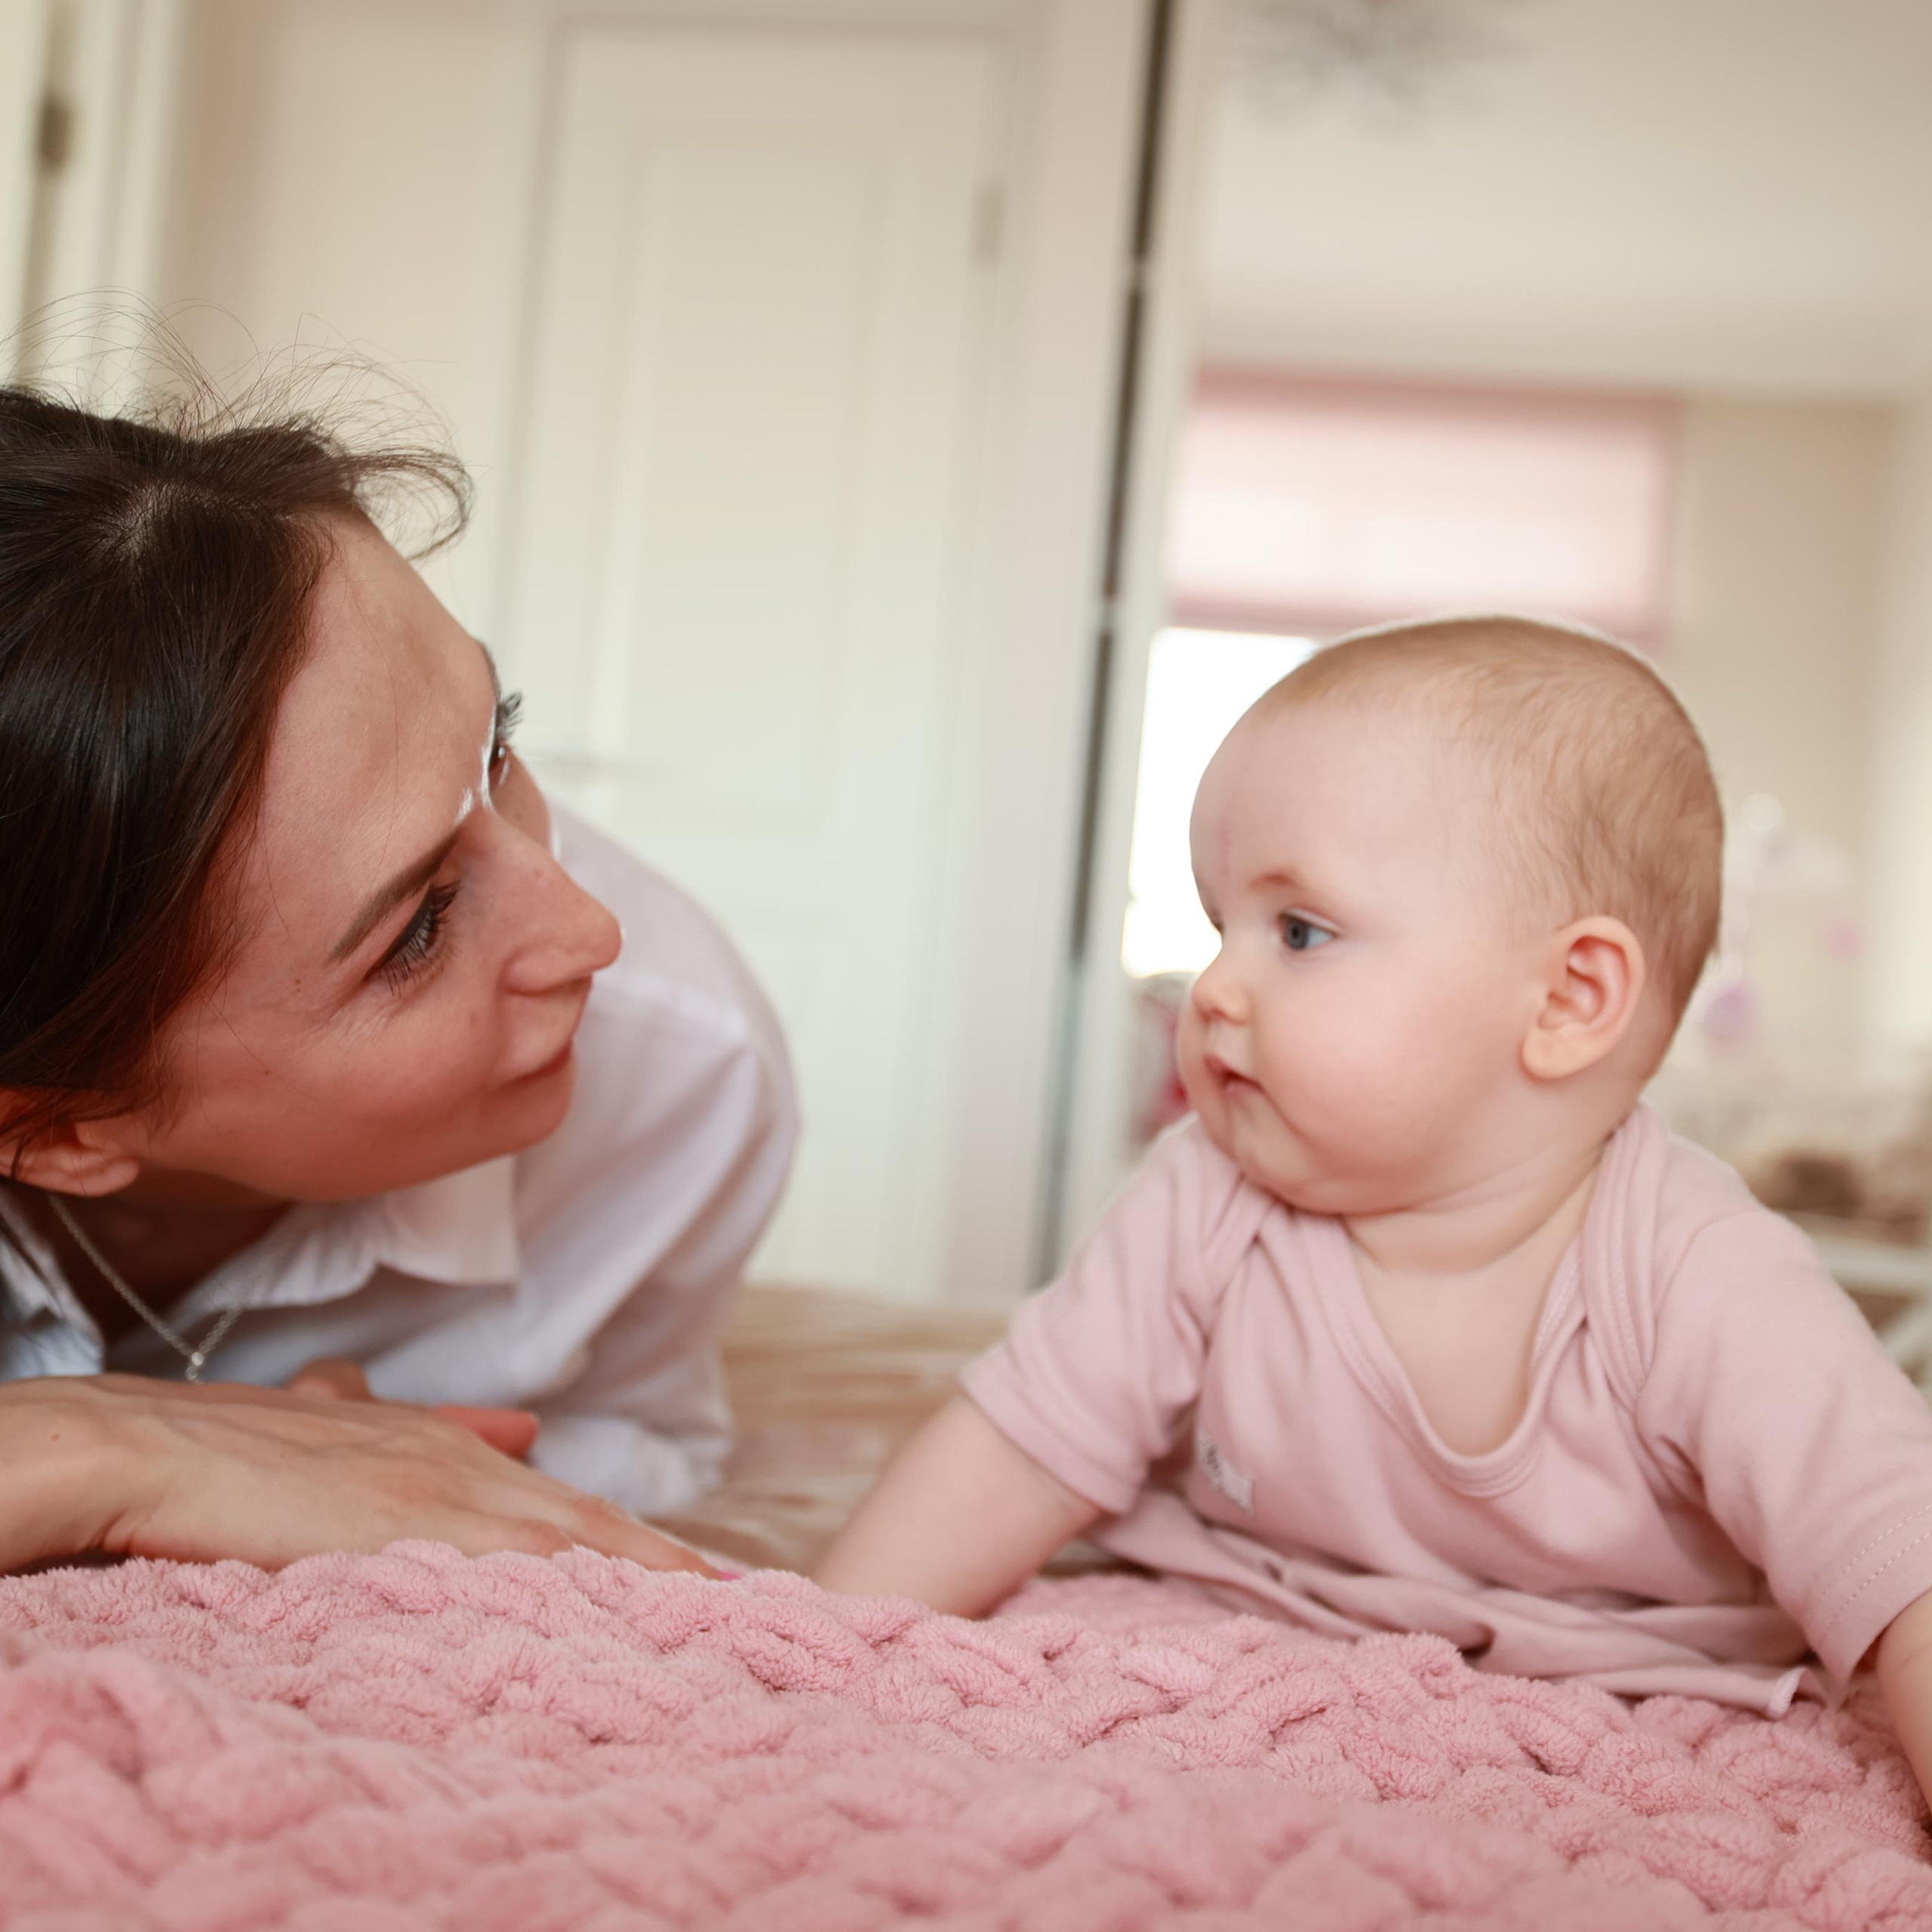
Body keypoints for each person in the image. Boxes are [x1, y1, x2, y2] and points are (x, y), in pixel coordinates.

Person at [817, 616, 1932, 1807]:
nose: (1216, 989)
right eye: (1218, 928)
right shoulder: (1205, 1194)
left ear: (1567, 998)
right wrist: (823, 1650)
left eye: (1299, 932)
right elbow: (1020, 1447)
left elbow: (1894, 1563)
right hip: (1246, 1623)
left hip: (1639, 1688)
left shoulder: (1699, 1273)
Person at [0, 362, 794, 1576]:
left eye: (501, 744)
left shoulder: (685, 1071)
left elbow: (646, 1439)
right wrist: (113, 1452)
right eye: (418, 928)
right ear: (57, 1128)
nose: (590, 934)